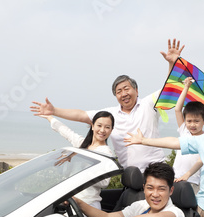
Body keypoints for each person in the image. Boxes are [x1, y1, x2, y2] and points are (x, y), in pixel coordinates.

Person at [30, 39, 185, 172]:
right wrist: (54, 111)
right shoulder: (110, 116)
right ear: (115, 96)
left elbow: (170, 87)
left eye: (126, 88)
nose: (123, 94)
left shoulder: (148, 104)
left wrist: (172, 63)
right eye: (119, 91)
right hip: (130, 176)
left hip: (156, 170)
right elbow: (82, 115)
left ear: (136, 90)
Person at [40, 111, 115, 217]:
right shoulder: (82, 145)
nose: (102, 130)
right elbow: (66, 132)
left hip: (89, 206)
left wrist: (87, 167)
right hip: (71, 202)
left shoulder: (106, 152)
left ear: (111, 130)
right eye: (99, 125)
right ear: (92, 126)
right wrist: (49, 117)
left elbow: (105, 182)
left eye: (107, 127)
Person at [73, 162, 185, 217]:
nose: (155, 194)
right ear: (144, 188)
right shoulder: (140, 206)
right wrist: (78, 203)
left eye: (161, 189)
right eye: (150, 188)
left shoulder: (176, 212)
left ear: (171, 191)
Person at [171, 77, 204, 194]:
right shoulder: (184, 131)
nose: (192, 125)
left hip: (192, 180)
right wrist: (186, 87)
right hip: (175, 178)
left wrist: (187, 175)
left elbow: (201, 161)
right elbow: (177, 109)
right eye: (189, 121)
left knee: (190, 209)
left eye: (196, 121)